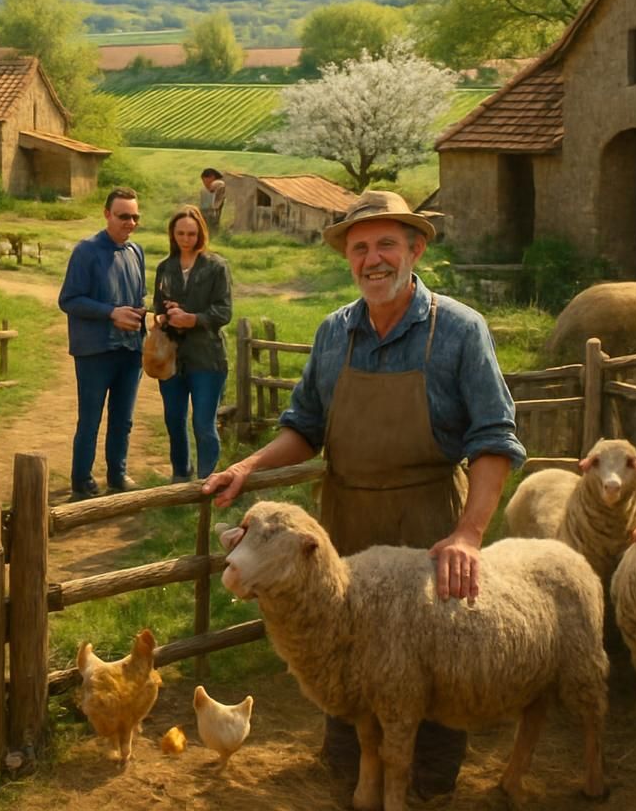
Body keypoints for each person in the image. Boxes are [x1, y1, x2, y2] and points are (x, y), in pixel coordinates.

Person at [201, 190, 525, 802]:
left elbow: (493, 440)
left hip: (427, 524)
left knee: (430, 665)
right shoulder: (334, 332)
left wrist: (468, 534)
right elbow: (306, 427)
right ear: (348, 258)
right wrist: (248, 465)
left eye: (386, 245)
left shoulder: (458, 331)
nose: (373, 259)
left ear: (415, 249)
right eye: (360, 248)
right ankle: (349, 762)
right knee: (341, 651)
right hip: (345, 523)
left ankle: (427, 777)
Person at [58, 187, 147, 500]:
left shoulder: (136, 252)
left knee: (123, 419)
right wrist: (111, 313)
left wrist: (140, 312)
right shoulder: (86, 251)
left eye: (135, 216)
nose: (130, 223)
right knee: (91, 419)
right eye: (124, 216)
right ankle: (82, 482)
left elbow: (138, 296)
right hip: (95, 351)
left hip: (130, 349)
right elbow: (68, 300)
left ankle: (117, 475)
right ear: (107, 214)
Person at [153, 205, 233, 483]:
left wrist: (192, 318)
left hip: (207, 358)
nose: (185, 239)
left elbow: (224, 311)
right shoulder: (165, 267)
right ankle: (180, 477)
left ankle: (207, 482)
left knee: (203, 424)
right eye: (180, 233)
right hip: (172, 356)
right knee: (174, 421)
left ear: (200, 234)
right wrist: (164, 316)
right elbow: (157, 305)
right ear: (172, 235)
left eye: (191, 233)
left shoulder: (216, 267)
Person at [198, 169, 228, 233]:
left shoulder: (217, 184)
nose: (205, 184)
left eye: (205, 182)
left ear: (212, 177)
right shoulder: (222, 183)